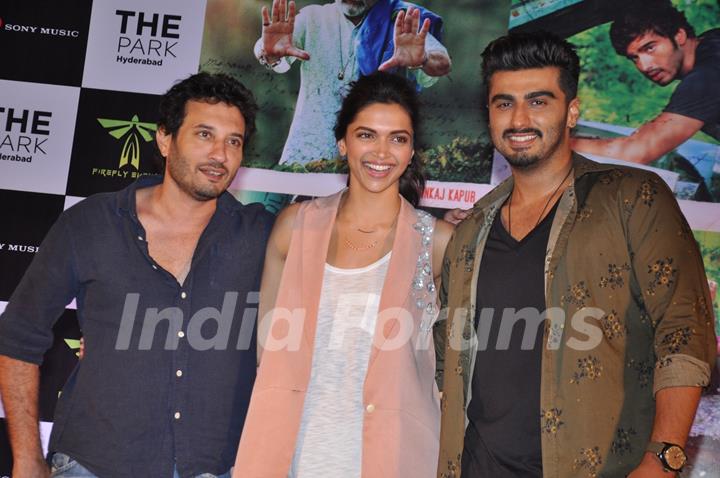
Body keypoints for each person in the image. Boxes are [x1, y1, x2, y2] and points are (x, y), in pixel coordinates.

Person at [435, 31, 716, 478]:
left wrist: (663, 458)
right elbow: (448, 354)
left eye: (539, 101)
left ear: (573, 110)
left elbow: (684, 332)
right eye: (503, 103)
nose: (519, 118)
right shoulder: (469, 231)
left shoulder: (633, 198)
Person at [0, 72, 274, 478]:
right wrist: (25, 458)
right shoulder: (90, 223)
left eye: (233, 141)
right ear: (165, 139)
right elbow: (18, 337)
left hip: (214, 466)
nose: (220, 154)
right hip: (93, 464)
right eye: (204, 134)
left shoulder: (260, 234)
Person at [233, 72, 453, 477]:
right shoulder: (294, 226)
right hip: (290, 454)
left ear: (412, 150)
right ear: (342, 143)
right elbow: (268, 346)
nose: (382, 152)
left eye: (398, 138)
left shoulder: (437, 242)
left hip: (392, 457)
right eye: (367, 135)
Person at [255, 0, 451, 165]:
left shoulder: (399, 19)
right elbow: (266, 50)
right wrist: (270, 53)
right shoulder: (313, 18)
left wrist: (423, 59)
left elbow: (442, 62)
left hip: (372, 165)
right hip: (306, 160)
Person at [572, 1, 719, 164]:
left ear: (679, 35)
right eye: (634, 57)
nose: (644, 66)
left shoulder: (707, 77)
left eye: (650, 48)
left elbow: (636, 152)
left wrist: (560, 145)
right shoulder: (712, 42)